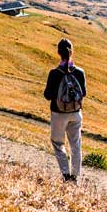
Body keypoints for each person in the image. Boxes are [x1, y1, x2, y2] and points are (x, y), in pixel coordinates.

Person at [43, 38, 87, 182]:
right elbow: (84, 93)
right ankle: (75, 177)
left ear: (58, 53)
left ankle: (65, 174)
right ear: (72, 52)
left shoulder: (54, 73)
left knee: (58, 143)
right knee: (76, 144)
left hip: (59, 114)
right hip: (76, 113)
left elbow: (47, 95)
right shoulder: (80, 72)